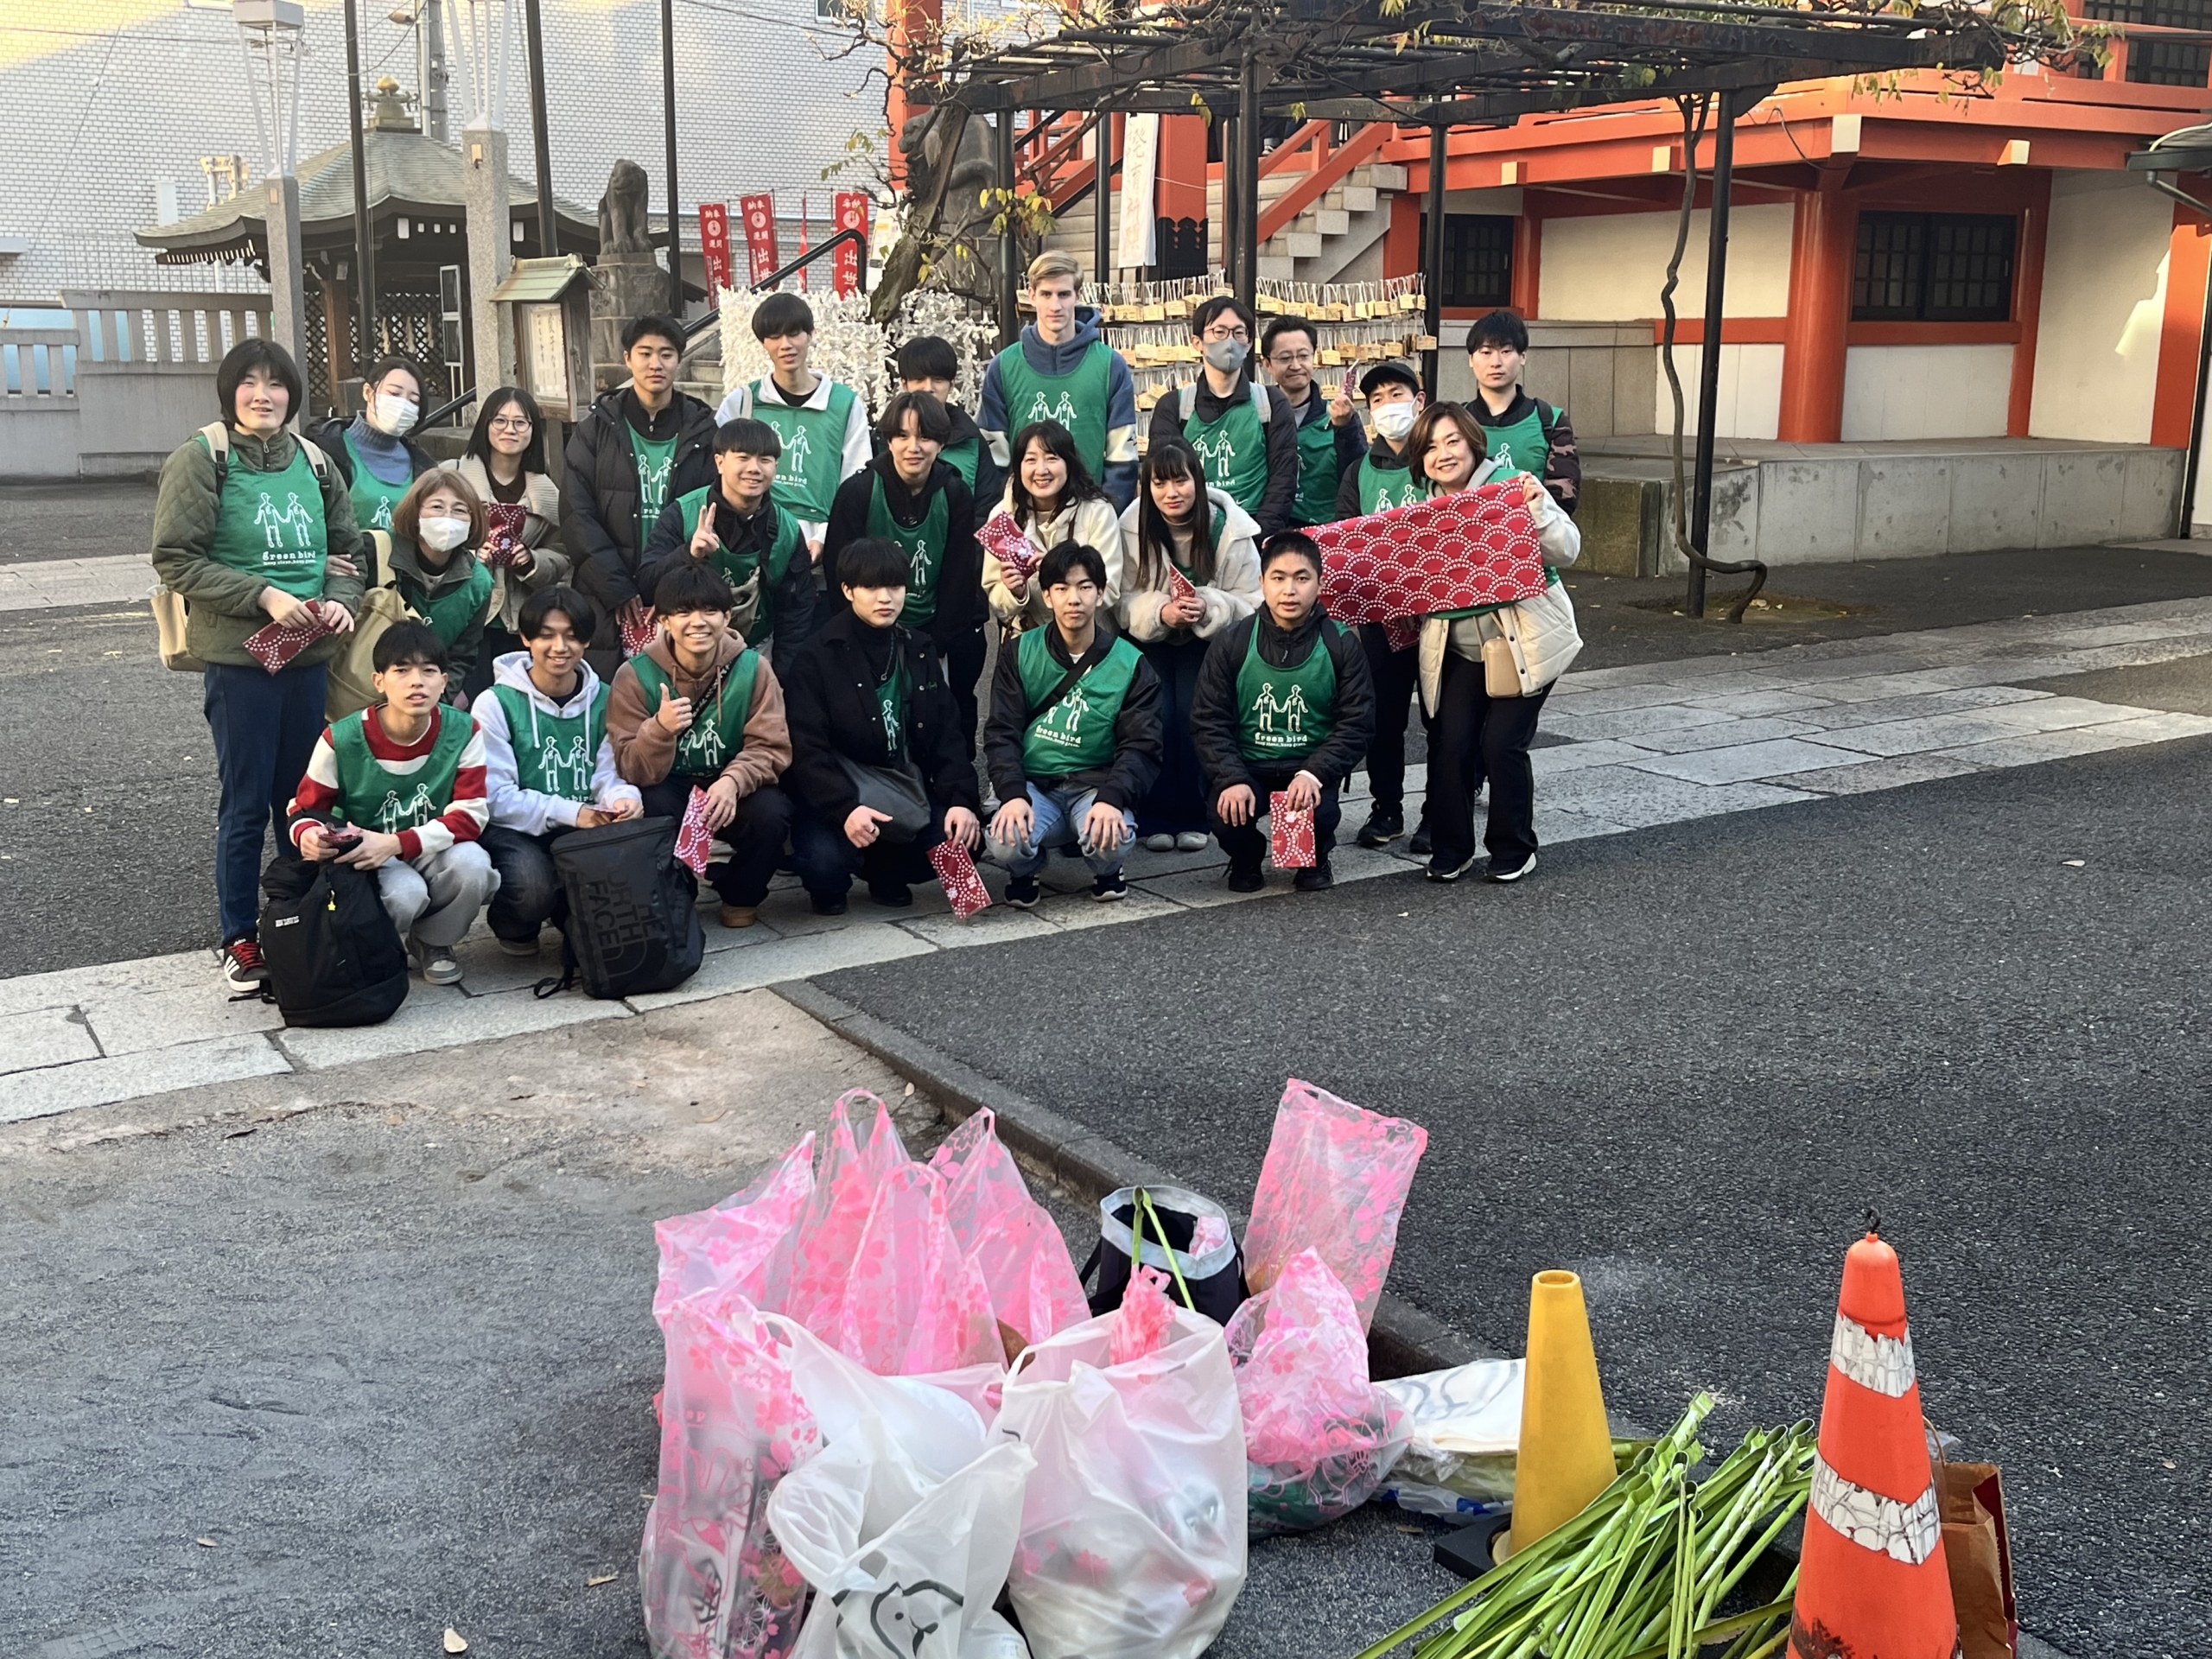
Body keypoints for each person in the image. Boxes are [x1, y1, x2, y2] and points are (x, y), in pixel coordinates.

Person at [153, 337, 366, 991]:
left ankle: (296, 916)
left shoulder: (315, 461)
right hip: (241, 662)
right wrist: (262, 594)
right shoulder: (202, 458)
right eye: (249, 382)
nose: (263, 394)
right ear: (230, 392)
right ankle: (238, 937)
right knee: (245, 803)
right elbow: (175, 558)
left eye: (276, 384)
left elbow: (348, 553)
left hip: (307, 657)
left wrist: (340, 603)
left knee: (300, 800)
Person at [1404, 401, 1583, 885]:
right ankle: (1451, 847)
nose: (1443, 454)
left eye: (1452, 441)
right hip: (1457, 647)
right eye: (1430, 447)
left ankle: (1513, 846)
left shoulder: (1511, 486)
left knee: (1501, 743)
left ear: (1472, 442)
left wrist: (1538, 507)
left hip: (1523, 640)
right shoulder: (1418, 509)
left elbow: (1567, 549)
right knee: (1450, 744)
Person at [779, 536, 982, 915]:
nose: (885, 597)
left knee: (967, 838)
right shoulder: (817, 655)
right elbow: (806, 749)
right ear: (847, 590)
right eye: (871, 587)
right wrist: (845, 809)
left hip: (900, 790)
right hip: (841, 796)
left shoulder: (918, 648)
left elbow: (947, 737)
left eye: (895, 586)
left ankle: (886, 873)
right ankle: (835, 879)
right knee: (823, 867)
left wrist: (961, 801)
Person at [288, 621, 496, 986]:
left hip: (426, 845)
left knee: (475, 866)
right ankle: (379, 948)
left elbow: (471, 815)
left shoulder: (464, 730)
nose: (417, 682)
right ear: (379, 681)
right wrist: (308, 835)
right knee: (405, 894)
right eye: (402, 670)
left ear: (444, 681)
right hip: (366, 854)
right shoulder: (342, 738)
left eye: (429, 671)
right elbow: (304, 809)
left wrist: (399, 842)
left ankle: (433, 942)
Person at [607, 564, 795, 929]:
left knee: (772, 812)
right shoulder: (634, 676)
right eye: (683, 612)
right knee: (651, 805)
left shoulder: (755, 669)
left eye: (710, 611)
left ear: (727, 616)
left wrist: (733, 780)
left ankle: (740, 892)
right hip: (671, 784)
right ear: (663, 620)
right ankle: (680, 892)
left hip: (730, 782)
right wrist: (658, 730)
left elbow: (772, 747)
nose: (698, 622)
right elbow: (628, 765)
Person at [1190, 531, 1375, 893]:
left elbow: (1357, 723)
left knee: (1316, 817)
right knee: (1224, 812)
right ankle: (1247, 857)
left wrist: (1315, 773)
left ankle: (1315, 855)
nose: (1289, 590)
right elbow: (1208, 719)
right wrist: (1231, 777)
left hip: (1307, 770)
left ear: (1319, 584)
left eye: (1302, 578)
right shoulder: (1233, 641)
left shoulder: (1340, 644)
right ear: (1262, 582)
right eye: (1278, 578)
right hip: (1249, 767)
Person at [983, 541, 1162, 906]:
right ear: (1046, 596)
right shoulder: (1019, 652)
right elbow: (1002, 732)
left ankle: (1107, 869)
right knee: (1004, 841)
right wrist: (1013, 794)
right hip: (1037, 785)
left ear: (1100, 593)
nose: (1073, 598)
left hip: (1094, 786)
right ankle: (1026, 869)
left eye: (1084, 587)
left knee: (1113, 836)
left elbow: (1142, 744)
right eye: (1062, 588)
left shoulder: (1131, 662)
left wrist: (1113, 798)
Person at [473, 586, 645, 953]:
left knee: (610, 914)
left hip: (585, 825)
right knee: (532, 887)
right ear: (525, 639)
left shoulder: (606, 698)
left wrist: (623, 799)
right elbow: (496, 799)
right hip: (516, 830)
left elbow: (608, 774)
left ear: (586, 640)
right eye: (546, 635)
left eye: (571, 635)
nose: (559, 647)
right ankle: (513, 925)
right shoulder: (495, 704)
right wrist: (572, 812)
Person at [1117, 436, 1262, 854]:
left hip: (1212, 643)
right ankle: (1156, 815)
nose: (1171, 493)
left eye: (1180, 481)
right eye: (1159, 484)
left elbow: (1254, 599)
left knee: (1194, 714)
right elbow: (1119, 600)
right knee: (1156, 715)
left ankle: (1197, 813)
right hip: (1151, 640)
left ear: (1197, 481)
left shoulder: (1229, 527)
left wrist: (1211, 606)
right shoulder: (1132, 525)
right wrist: (1160, 612)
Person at [823, 391, 985, 745]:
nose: (914, 447)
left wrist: (936, 642)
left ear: (941, 444)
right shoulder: (858, 491)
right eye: (903, 436)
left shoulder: (956, 494)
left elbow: (960, 577)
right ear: (888, 441)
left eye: (925, 436)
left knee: (943, 717)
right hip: (869, 627)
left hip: (934, 628)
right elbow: (841, 575)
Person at [563, 313, 719, 664]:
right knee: (610, 698)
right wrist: (618, 589)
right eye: (644, 353)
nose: (655, 364)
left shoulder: (704, 431)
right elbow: (576, 514)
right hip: (604, 594)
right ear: (627, 358)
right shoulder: (595, 430)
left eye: (666, 354)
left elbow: (711, 510)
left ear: (679, 359)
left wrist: (671, 585)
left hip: (681, 591)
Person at [1338, 359, 1433, 853]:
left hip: (1441, 617)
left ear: (1418, 402)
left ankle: (1440, 809)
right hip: (1381, 618)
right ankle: (1387, 807)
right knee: (1384, 718)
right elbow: (1347, 539)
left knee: (1443, 719)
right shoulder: (1359, 472)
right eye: (1377, 400)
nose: (1388, 407)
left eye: (1397, 395)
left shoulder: (1435, 463)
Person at [639, 417, 817, 659]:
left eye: (765, 460)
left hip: (755, 651)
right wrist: (689, 554)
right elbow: (647, 586)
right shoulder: (683, 512)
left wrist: (781, 676)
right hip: (683, 649)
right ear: (720, 462)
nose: (754, 468)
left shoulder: (787, 529)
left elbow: (796, 611)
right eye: (743, 458)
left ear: (776, 466)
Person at [977, 251, 1140, 512]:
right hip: (1023, 519)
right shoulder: (1004, 367)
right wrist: (1010, 520)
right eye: (1046, 294)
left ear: (1077, 295)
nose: (1055, 306)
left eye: (1064, 294)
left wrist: (1108, 514)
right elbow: (992, 460)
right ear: (1031, 295)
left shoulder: (1110, 365)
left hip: (1091, 519)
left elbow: (1123, 458)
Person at [716, 292, 873, 563]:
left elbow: (856, 481)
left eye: (794, 333)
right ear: (762, 342)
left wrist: (825, 536)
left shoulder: (845, 404)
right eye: (774, 336)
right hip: (753, 543)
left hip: (824, 545)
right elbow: (719, 474)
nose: (785, 345)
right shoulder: (742, 403)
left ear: (810, 334)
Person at [1146, 296, 1298, 534]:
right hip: (1192, 534)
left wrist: (1258, 538)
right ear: (1197, 342)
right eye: (1219, 331)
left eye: (1239, 333)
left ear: (1249, 344)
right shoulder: (1174, 406)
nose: (1230, 341)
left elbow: (1283, 481)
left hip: (1252, 532)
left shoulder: (1271, 404)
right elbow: (1164, 477)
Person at [456, 386, 569, 700]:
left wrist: (532, 561)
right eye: (500, 420)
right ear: (485, 425)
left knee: (516, 706)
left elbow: (562, 552)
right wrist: (471, 556)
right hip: (467, 614)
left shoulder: (546, 491)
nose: (510, 429)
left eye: (521, 422)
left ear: (533, 430)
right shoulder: (453, 477)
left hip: (521, 618)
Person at [982, 419, 1122, 637]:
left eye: (1051, 458)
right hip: (1028, 640)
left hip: (1087, 639)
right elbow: (997, 601)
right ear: (1018, 466)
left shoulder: (1098, 512)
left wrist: (1057, 571)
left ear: (1069, 463)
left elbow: (1110, 590)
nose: (1041, 470)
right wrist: (1016, 593)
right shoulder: (1002, 517)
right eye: (1030, 460)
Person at [385, 469, 494, 696]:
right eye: (437, 507)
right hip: (364, 694)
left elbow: (462, 657)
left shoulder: (479, 582)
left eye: (460, 510)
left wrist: (438, 702)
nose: (448, 517)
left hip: (429, 701)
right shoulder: (378, 551)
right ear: (416, 512)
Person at [1464, 309, 1580, 517]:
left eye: (1506, 351)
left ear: (1523, 356)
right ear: (1471, 359)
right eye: (1486, 352)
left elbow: (1563, 498)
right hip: (1471, 537)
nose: (1496, 362)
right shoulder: (1456, 421)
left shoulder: (1550, 421)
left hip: (1533, 535)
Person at [309, 354, 434, 535]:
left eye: (413, 400)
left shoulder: (424, 465)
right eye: (394, 393)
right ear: (368, 392)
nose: (402, 404)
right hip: (349, 561)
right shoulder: (325, 449)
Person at [1259, 316, 1363, 529]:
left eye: (1303, 356)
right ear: (1267, 364)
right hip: (1270, 531)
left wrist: (1346, 428)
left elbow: (1357, 476)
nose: (1296, 365)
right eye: (1285, 358)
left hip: (1323, 533)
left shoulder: (1337, 415)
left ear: (1314, 357)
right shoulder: (1257, 416)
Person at [895, 335, 984, 497]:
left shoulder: (971, 439)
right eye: (919, 379)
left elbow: (987, 504)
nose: (929, 388)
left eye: (938, 380)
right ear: (904, 384)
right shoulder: (884, 438)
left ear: (951, 385)